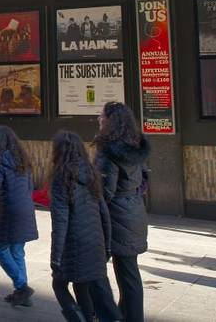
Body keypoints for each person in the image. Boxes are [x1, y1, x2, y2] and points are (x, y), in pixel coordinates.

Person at [50, 131, 121, 322]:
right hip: (95, 241)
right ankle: (90, 317)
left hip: (75, 244)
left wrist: (55, 257)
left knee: (59, 284)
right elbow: (104, 212)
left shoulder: (60, 178)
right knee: (83, 285)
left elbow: (60, 221)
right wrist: (106, 245)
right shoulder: (91, 173)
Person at [94, 102, 150, 322]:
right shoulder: (135, 146)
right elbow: (144, 179)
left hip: (117, 217)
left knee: (103, 272)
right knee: (128, 274)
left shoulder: (108, 151)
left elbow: (103, 191)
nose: (98, 119)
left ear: (111, 121)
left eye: (101, 116)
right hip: (134, 211)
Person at [0, 126, 38, 307]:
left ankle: (22, 286)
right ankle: (22, 294)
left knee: (0, 248)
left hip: (11, 211)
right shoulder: (22, 160)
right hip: (26, 209)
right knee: (17, 251)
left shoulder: (1, 159)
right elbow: (30, 187)